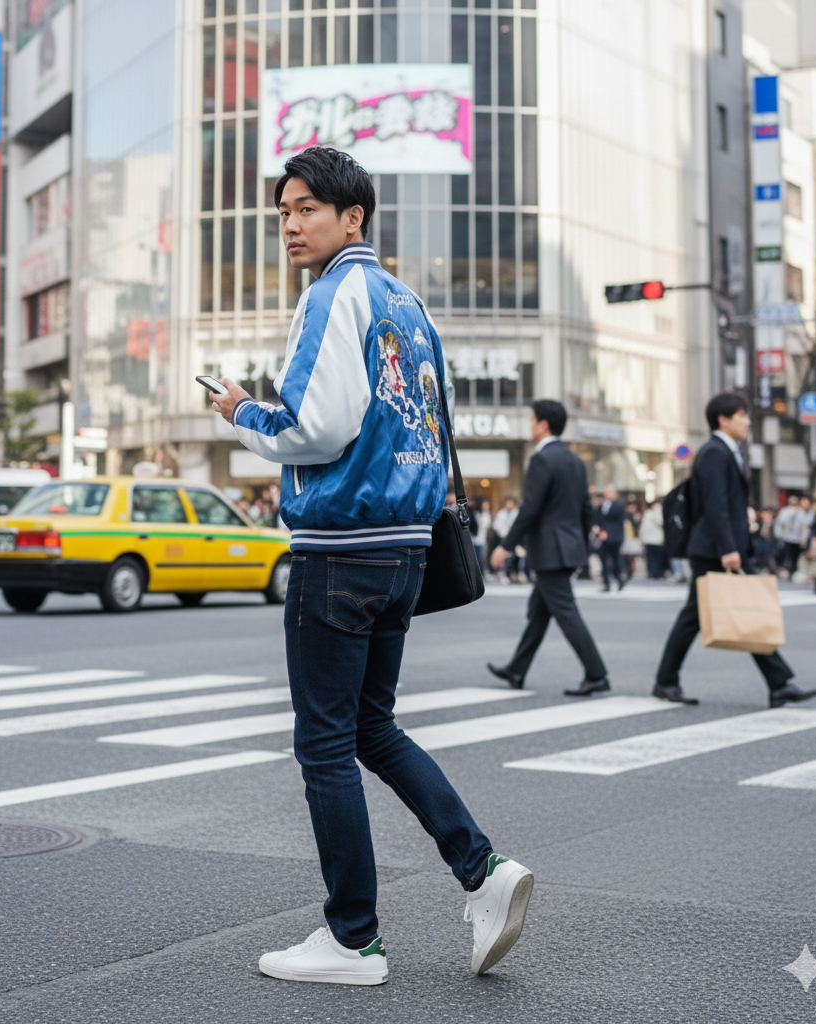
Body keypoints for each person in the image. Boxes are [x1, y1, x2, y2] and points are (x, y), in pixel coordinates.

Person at [207, 146, 533, 986]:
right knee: (371, 727)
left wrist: (242, 412)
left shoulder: (334, 294)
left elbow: (316, 430)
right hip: (406, 547)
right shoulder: (406, 301)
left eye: (306, 208)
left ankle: (352, 938)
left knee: (324, 744)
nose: (289, 224)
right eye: (283, 211)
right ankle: (482, 870)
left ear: (353, 217)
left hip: (339, 548)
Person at [654, 393, 816, 707]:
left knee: (716, 613)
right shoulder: (716, 452)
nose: (747, 422)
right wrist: (729, 548)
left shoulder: (726, 451)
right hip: (716, 549)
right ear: (723, 419)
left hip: (718, 547)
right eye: (742, 416)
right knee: (721, 612)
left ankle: (777, 681)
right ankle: (777, 681)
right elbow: (716, 506)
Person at [486, 399, 610, 696]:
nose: (530, 426)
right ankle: (517, 669)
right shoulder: (574, 460)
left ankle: (597, 674)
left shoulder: (542, 459)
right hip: (566, 547)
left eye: (531, 420)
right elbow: (584, 508)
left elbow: (530, 509)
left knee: (566, 613)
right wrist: (579, 546)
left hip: (550, 549)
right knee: (539, 613)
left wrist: (506, 545)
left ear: (543, 425)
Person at [593, 484, 627, 591]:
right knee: (603, 560)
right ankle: (606, 583)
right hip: (603, 537)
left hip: (614, 537)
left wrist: (607, 532)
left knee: (615, 560)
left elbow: (617, 523)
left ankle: (619, 578)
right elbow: (598, 519)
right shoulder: (601, 506)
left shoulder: (618, 506)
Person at [639, 499, 666, 579]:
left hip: (649, 540)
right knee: (658, 558)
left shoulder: (648, 513)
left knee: (651, 558)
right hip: (658, 540)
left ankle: (652, 573)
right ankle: (658, 573)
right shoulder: (660, 512)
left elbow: (643, 527)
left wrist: (642, 537)